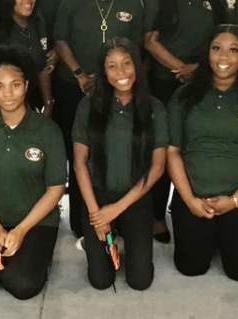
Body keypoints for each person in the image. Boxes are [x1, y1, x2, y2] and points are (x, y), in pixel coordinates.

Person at [167, 25, 238, 282]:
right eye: (216, 48)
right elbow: (172, 151)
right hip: (194, 196)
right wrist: (189, 199)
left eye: (233, 50)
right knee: (190, 267)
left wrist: (235, 201)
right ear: (207, 53)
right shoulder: (184, 96)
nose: (223, 57)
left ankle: (227, 232)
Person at [144, 0, 235, 242]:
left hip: (205, 81)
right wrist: (180, 68)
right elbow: (150, 41)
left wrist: (197, 69)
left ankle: (193, 205)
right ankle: (157, 216)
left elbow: (224, 39)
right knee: (162, 147)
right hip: (164, 83)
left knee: (195, 146)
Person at [54, 0, 146, 237]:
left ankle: (120, 217)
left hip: (120, 87)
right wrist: (81, 74)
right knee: (80, 155)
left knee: (117, 150)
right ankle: (83, 222)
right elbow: (61, 40)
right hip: (75, 87)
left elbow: (137, 47)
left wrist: (111, 78)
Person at [0, 46, 67, 300]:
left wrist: (20, 230)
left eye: (15, 85)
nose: (8, 93)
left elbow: (55, 188)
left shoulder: (48, 130)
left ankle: (36, 253)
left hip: (36, 221)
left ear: (26, 85)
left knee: (22, 285)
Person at [72, 38, 168, 290]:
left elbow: (157, 167)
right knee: (101, 281)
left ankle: (128, 238)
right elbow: (79, 162)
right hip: (97, 196)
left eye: (127, 63)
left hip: (136, 196)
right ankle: (95, 241)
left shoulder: (155, 108)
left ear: (137, 66)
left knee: (140, 280)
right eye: (112, 66)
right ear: (103, 71)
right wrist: (96, 214)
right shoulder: (88, 105)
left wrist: (115, 210)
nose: (121, 72)